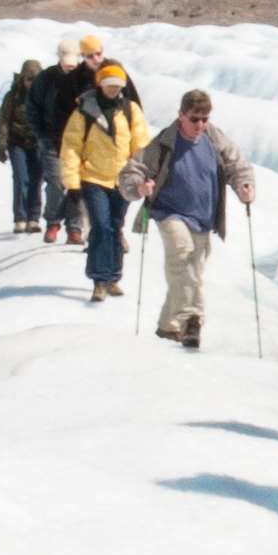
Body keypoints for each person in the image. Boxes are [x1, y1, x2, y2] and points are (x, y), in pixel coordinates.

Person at [121, 87, 256, 349]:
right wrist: (139, 187)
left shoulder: (215, 139)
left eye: (205, 118)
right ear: (181, 115)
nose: (200, 124)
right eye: (195, 119)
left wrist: (244, 186)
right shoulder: (164, 142)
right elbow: (132, 171)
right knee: (181, 254)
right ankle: (192, 319)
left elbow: (238, 166)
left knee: (192, 271)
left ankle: (167, 326)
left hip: (203, 217)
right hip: (169, 212)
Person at [58, 52, 147, 301]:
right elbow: (71, 147)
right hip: (94, 178)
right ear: (100, 84)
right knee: (100, 225)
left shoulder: (130, 111)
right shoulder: (84, 111)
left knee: (115, 227)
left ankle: (113, 276)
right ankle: (99, 279)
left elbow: (140, 146)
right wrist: (73, 183)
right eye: (109, 85)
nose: (113, 90)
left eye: (117, 86)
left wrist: (142, 175)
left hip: (123, 179)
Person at [26, 32, 86, 243]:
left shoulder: (85, 79)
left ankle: (74, 228)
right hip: (51, 140)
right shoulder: (46, 78)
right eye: (65, 63)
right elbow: (32, 107)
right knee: (55, 182)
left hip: (80, 142)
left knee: (76, 183)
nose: (69, 67)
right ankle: (53, 222)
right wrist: (41, 135)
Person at [0, 58, 47, 230]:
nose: (31, 83)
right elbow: (3, 120)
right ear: (22, 79)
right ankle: (20, 217)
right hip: (17, 143)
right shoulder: (13, 97)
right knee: (21, 178)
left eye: (35, 80)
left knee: (36, 180)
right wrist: (2, 145)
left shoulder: (46, 97)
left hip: (38, 144)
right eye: (28, 79)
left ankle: (33, 218)